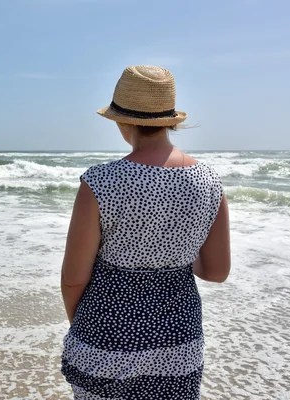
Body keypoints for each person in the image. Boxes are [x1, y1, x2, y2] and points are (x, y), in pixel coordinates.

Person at [60, 65, 231, 399]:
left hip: (106, 330)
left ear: (122, 121)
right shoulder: (210, 181)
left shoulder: (101, 182)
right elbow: (217, 271)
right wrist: (170, 258)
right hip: (178, 338)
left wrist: (79, 325)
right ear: (170, 120)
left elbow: (73, 278)